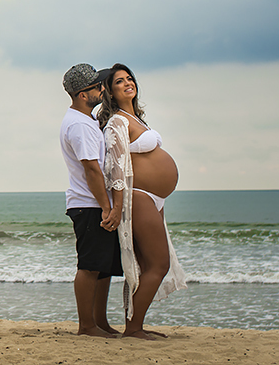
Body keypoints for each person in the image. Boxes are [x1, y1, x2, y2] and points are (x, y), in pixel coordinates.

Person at [98, 64, 186, 340]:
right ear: (109, 92)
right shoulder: (117, 122)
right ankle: (133, 328)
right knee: (159, 264)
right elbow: (115, 168)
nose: (128, 83)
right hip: (138, 197)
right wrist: (117, 208)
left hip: (153, 199)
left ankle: (134, 325)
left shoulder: (135, 119)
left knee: (147, 266)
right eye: (119, 82)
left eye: (129, 79)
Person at [59, 63, 122, 338]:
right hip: (89, 204)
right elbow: (92, 169)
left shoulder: (88, 121)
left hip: (95, 202)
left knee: (103, 268)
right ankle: (86, 326)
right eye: (97, 86)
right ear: (83, 95)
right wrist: (107, 207)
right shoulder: (79, 125)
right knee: (90, 266)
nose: (102, 90)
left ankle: (100, 322)